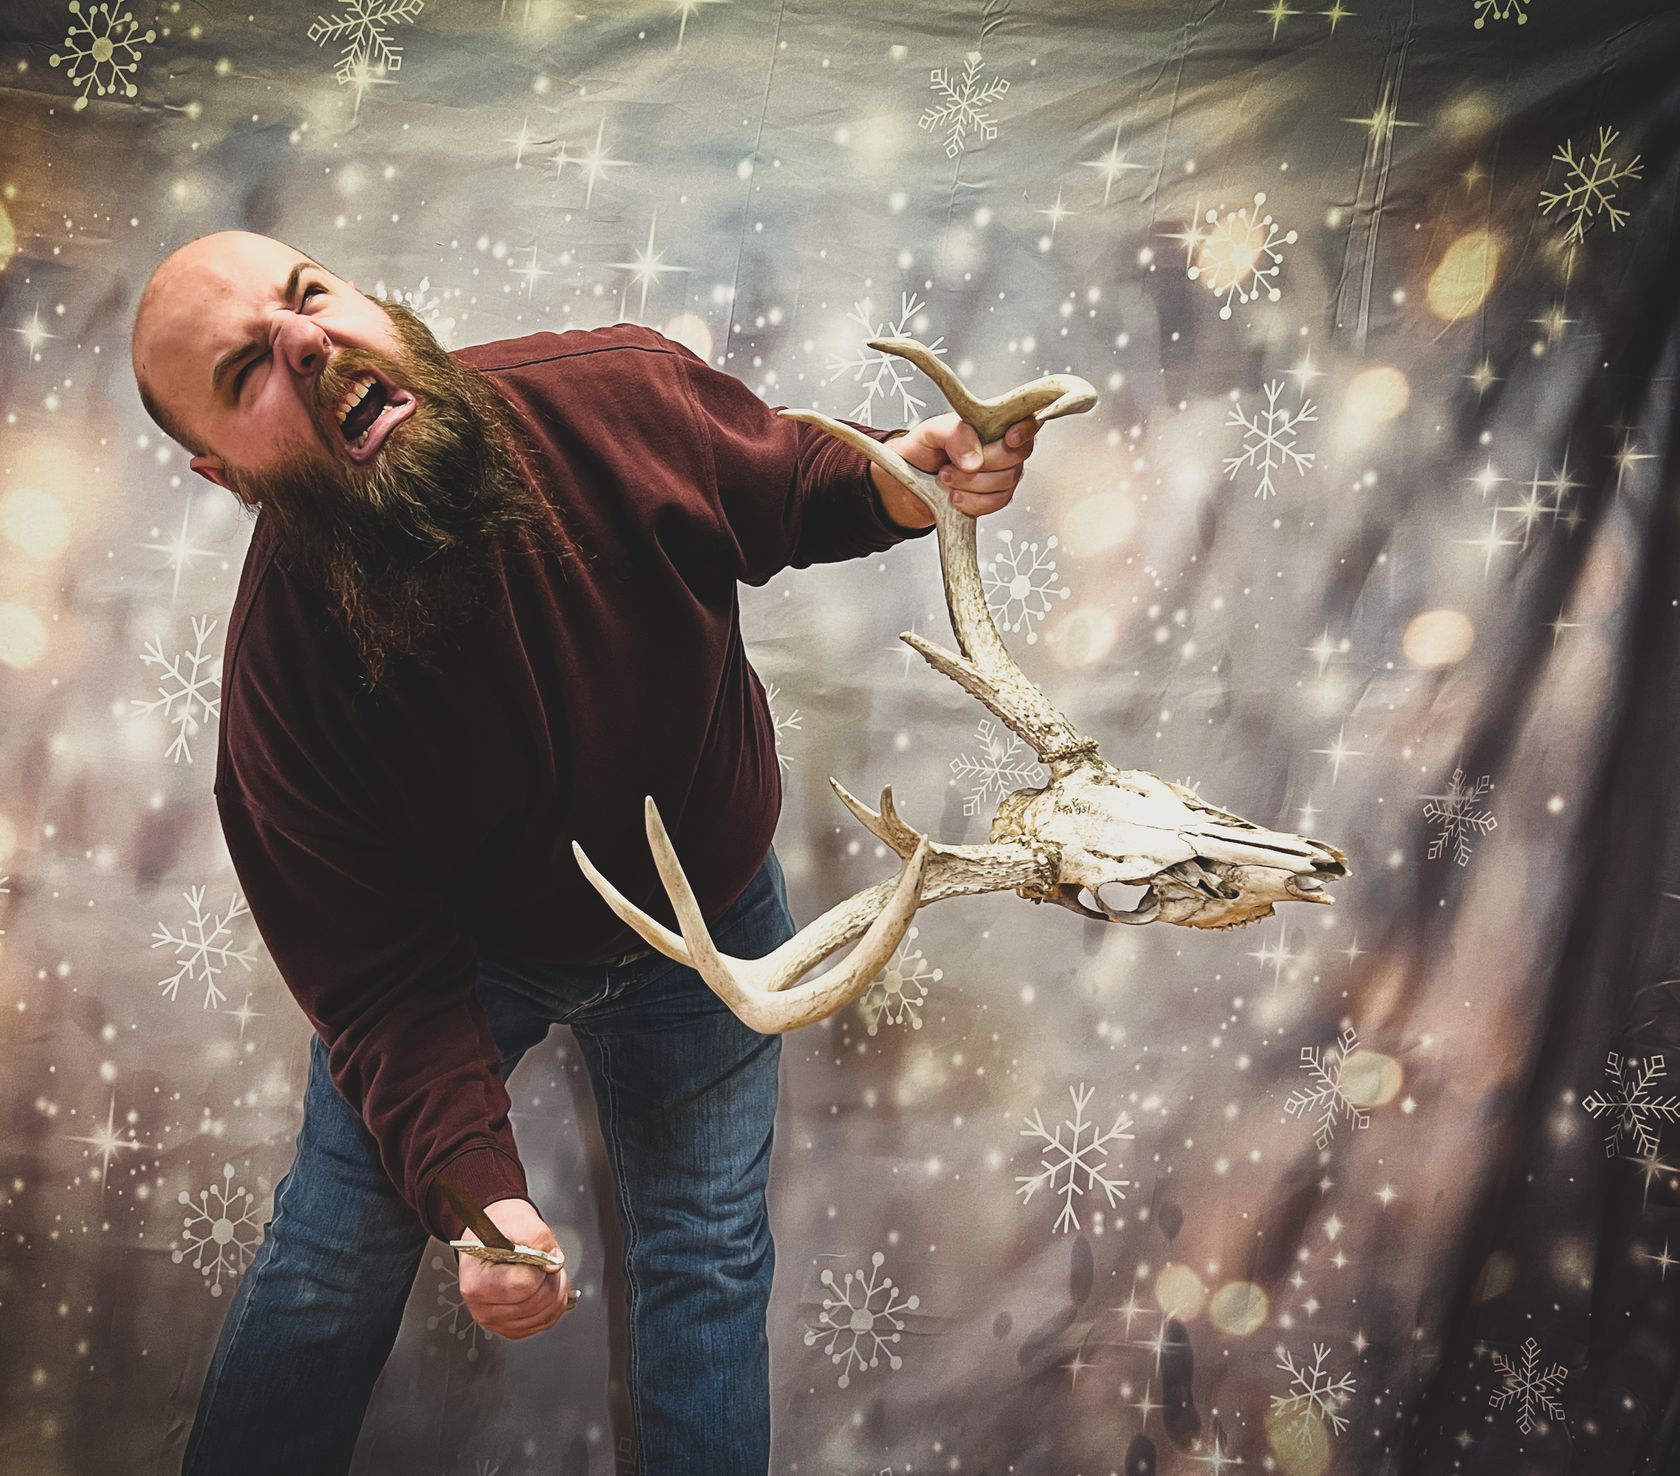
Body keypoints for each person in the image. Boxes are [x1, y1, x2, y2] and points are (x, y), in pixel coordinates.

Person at [127, 229, 1040, 1474]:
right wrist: (484, 1200)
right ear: (224, 472)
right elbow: (380, 991)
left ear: (366, 300)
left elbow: (771, 479)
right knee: (331, 1261)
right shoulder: (283, 688)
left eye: (309, 296)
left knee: (707, 1261)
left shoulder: (617, 391)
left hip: (712, 932)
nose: (304, 341)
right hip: (460, 966)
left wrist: (901, 478)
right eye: (249, 373)